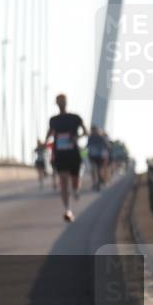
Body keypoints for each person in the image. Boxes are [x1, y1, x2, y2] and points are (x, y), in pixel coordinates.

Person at [45, 94, 88, 223]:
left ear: (66, 102)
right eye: (58, 101)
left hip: (73, 153)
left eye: (62, 101)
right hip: (60, 154)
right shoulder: (53, 120)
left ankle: (76, 190)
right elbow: (49, 134)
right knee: (63, 182)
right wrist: (44, 143)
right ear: (56, 103)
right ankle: (68, 210)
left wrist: (76, 137)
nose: (61, 103)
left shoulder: (75, 118)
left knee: (74, 182)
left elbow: (86, 132)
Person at [86, 125, 111, 190]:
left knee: (96, 169)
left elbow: (87, 146)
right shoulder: (96, 137)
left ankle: (98, 181)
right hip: (94, 156)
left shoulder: (94, 137)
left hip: (97, 156)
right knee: (95, 169)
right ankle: (97, 182)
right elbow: (107, 146)